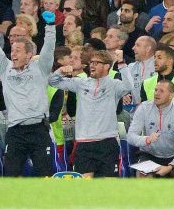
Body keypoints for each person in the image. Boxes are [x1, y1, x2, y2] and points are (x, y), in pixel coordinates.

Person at [0, 10, 56, 177]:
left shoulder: (41, 68)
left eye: (17, 51)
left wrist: (50, 26)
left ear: (29, 54)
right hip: (15, 132)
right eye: (12, 50)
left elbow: (49, 48)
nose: (12, 54)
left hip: (39, 130)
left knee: (45, 175)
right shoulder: (5, 67)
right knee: (11, 176)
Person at [49, 50, 132, 178]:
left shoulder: (114, 85)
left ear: (106, 66)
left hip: (107, 142)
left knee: (107, 188)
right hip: (84, 144)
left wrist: (122, 64)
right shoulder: (81, 83)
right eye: (91, 62)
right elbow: (53, 81)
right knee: (84, 188)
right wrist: (61, 71)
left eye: (97, 63)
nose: (92, 65)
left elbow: (128, 86)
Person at [128, 80, 174, 178]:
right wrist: (146, 139)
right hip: (149, 155)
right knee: (142, 174)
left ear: (171, 95)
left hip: (173, 156)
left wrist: (171, 166)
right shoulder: (144, 108)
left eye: (161, 91)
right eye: (156, 90)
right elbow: (130, 137)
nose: (156, 93)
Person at [140, 44, 174, 111]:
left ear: (169, 61)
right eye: (154, 57)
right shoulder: (146, 83)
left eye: (159, 58)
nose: (155, 60)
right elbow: (143, 112)